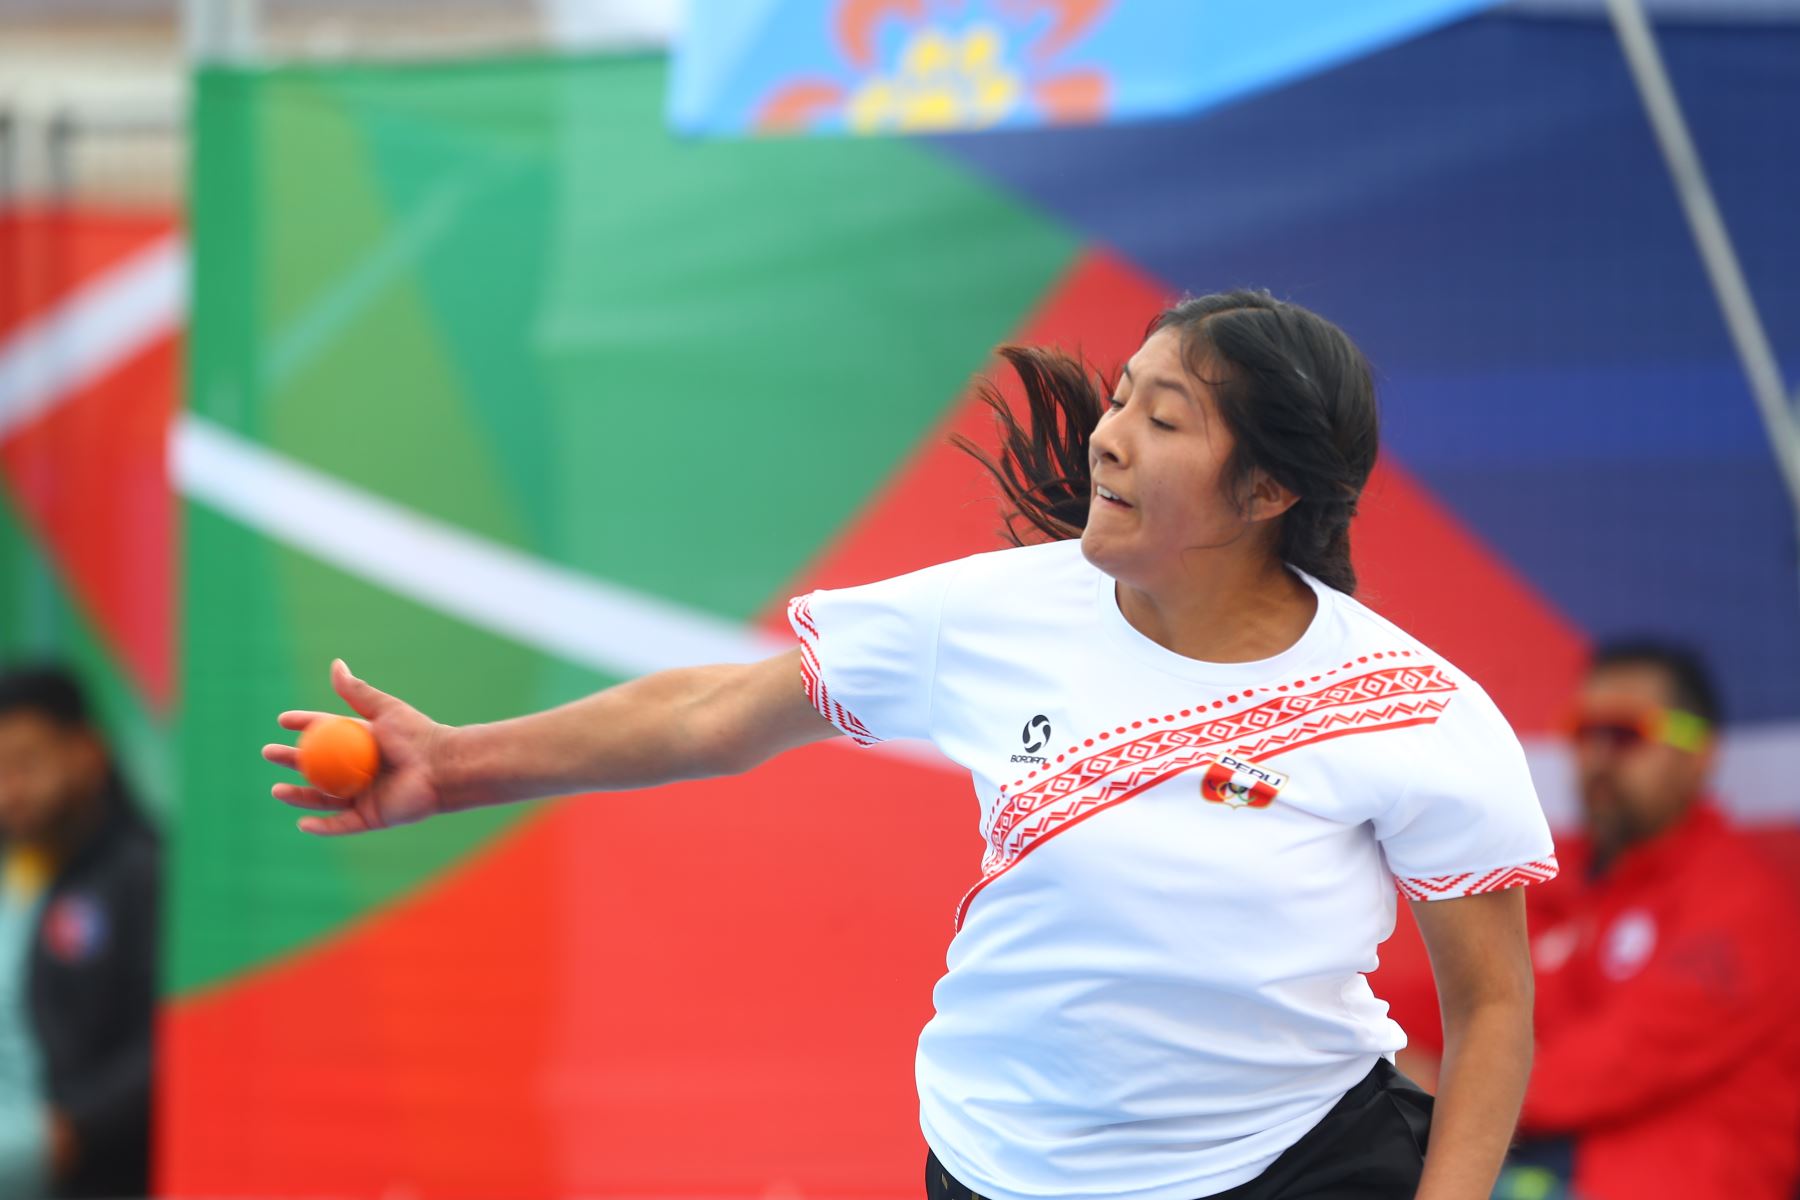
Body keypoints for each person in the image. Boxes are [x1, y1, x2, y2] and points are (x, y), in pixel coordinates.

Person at [267, 291, 1558, 1200]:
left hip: (1291, 1164)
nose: (1110, 435)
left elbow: (1492, 1004)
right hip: (1003, 1160)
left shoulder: (1408, 707)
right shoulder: (988, 615)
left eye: (1167, 422)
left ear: (1269, 491)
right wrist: (455, 764)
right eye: (1122, 398)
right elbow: (715, 715)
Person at [1490, 641, 1800, 1200]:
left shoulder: (1742, 900)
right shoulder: (1558, 874)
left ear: (1698, 754)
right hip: (1547, 1167)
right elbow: (1470, 993)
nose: (1601, 755)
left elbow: (1621, 1061)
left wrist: (1447, 1087)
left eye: (1628, 733)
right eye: (1587, 731)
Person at [0, 666, 158, 1199]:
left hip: (82, 1162)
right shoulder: (18, 869)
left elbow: (166, 1037)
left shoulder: (141, 873)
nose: (8, 793)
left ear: (87, 752)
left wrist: (78, 1127)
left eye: (25, 763)